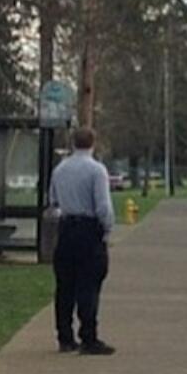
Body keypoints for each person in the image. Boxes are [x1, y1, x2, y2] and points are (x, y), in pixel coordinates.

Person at [48, 126, 116, 355]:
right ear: (93, 143)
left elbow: (53, 200)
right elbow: (103, 206)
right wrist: (107, 230)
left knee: (65, 286)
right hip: (89, 231)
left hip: (66, 229)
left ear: (72, 143)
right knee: (89, 284)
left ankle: (64, 337)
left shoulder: (60, 169)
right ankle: (88, 336)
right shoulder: (97, 170)